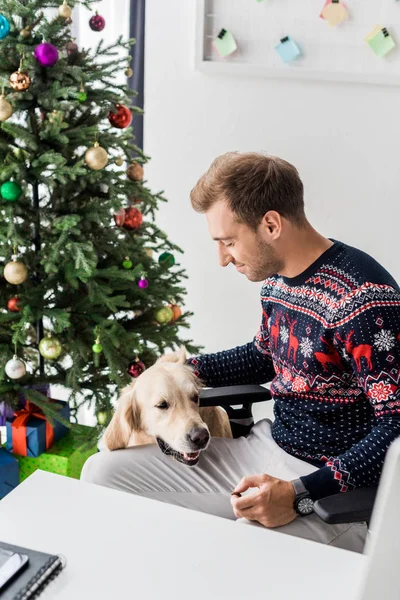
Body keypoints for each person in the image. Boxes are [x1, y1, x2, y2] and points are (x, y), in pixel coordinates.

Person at [81, 152, 400, 553]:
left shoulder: (364, 301)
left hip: (332, 489)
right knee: (101, 473)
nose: (222, 257)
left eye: (228, 241)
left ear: (270, 224)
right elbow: (264, 356)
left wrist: (299, 493)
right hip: (267, 450)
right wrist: (181, 372)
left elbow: (396, 426)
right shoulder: (279, 281)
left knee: (236, 550)